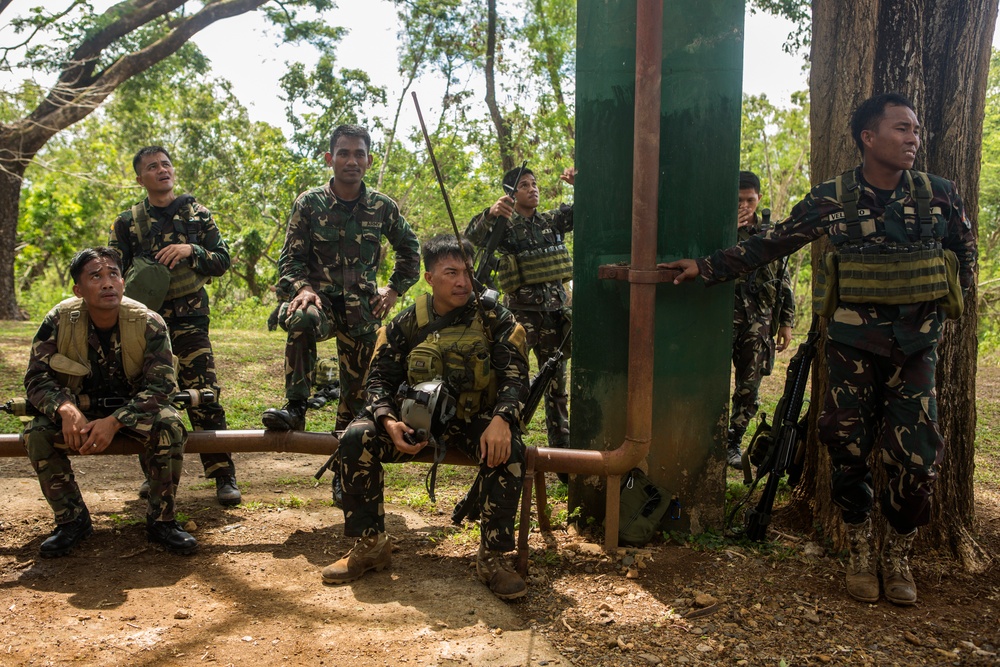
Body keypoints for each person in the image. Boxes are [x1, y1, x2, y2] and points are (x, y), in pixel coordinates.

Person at [661, 93, 976, 606]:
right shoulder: (833, 199)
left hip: (916, 350)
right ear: (868, 138)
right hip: (852, 348)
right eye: (901, 129)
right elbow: (774, 243)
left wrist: (943, 308)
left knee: (917, 461)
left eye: (916, 130)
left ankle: (897, 553)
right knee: (845, 448)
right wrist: (708, 266)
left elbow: (964, 251)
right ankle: (857, 546)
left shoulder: (940, 195)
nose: (913, 138)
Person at [323, 234, 530, 600]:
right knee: (356, 436)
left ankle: (493, 558)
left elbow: (516, 375)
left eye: (466, 271)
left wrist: (503, 420)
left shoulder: (494, 317)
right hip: (417, 423)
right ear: (429, 277)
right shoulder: (407, 321)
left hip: (475, 421)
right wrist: (388, 421)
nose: (462, 281)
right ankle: (371, 545)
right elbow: (378, 379)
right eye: (450, 272)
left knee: (509, 448)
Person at [23, 247, 197, 557]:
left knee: (170, 425)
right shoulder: (59, 320)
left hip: (134, 410)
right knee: (37, 434)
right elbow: (36, 378)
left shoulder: (149, 322)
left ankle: (162, 520)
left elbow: (162, 386)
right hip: (80, 409)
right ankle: (72, 520)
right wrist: (66, 409)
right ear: (78, 289)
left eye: (113, 274)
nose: (107, 283)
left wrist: (115, 421)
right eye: (96, 276)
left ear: (123, 282)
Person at [262, 124, 420, 436]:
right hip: (319, 305)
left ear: (369, 161)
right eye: (343, 153)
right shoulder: (309, 204)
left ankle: (344, 471)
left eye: (359, 154)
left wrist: (393, 289)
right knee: (301, 317)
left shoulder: (382, 207)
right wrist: (302, 288)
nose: (352, 161)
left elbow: (410, 250)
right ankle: (295, 407)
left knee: (358, 408)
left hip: (362, 312)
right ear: (329, 158)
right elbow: (290, 261)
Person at [109, 146, 239, 506]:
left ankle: (222, 475)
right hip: (144, 324)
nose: (162, 170)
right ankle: (155, 477)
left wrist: (190, 251)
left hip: (191, 319)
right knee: (147, 397)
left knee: (205, 394)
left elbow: (222, 260)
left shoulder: (198, 215)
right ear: (140, 179)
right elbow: (112, 270)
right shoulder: (127, 222)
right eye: (152, 167)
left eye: (166, 164)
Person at [465, 165, 575, 481]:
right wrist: (490, 213)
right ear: (512, 194)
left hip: (555, 318)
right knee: (513, 384)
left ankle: (564, 460)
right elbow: (470, 239)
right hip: (521, 320)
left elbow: (587, 212)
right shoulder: (505, 227)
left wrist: (580, 184)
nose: (532, 189)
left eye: (534, 183)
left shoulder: (551, 220)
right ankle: (508, 447)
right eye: (524, 185)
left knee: (556, 390)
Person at [726, 170, 795, 469]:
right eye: (738, 200)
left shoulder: (772, 231)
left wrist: (787, 322)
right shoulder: (718, 227)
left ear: (759, 199)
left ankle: (733, 441)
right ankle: (708, 437)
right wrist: (727, 229)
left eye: (750, 200)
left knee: (749, 385)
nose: (745, 205)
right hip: (722, 316)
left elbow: (784, 278)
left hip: (759, 319)